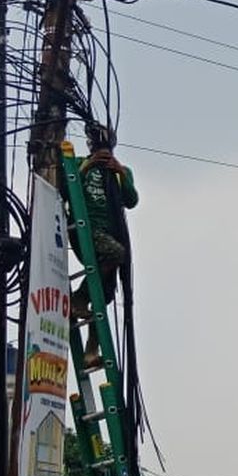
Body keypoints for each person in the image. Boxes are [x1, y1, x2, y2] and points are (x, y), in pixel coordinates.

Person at [70, 123, 139, 369]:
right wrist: (88, 165)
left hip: (110, 232)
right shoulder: (78, 164)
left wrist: (118, 170)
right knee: (115, 252)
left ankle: (90, 352)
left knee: (105, 294)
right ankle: (78, 298)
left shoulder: (121, 172)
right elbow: (67, 189)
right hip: (86, 229)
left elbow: (132, 200)